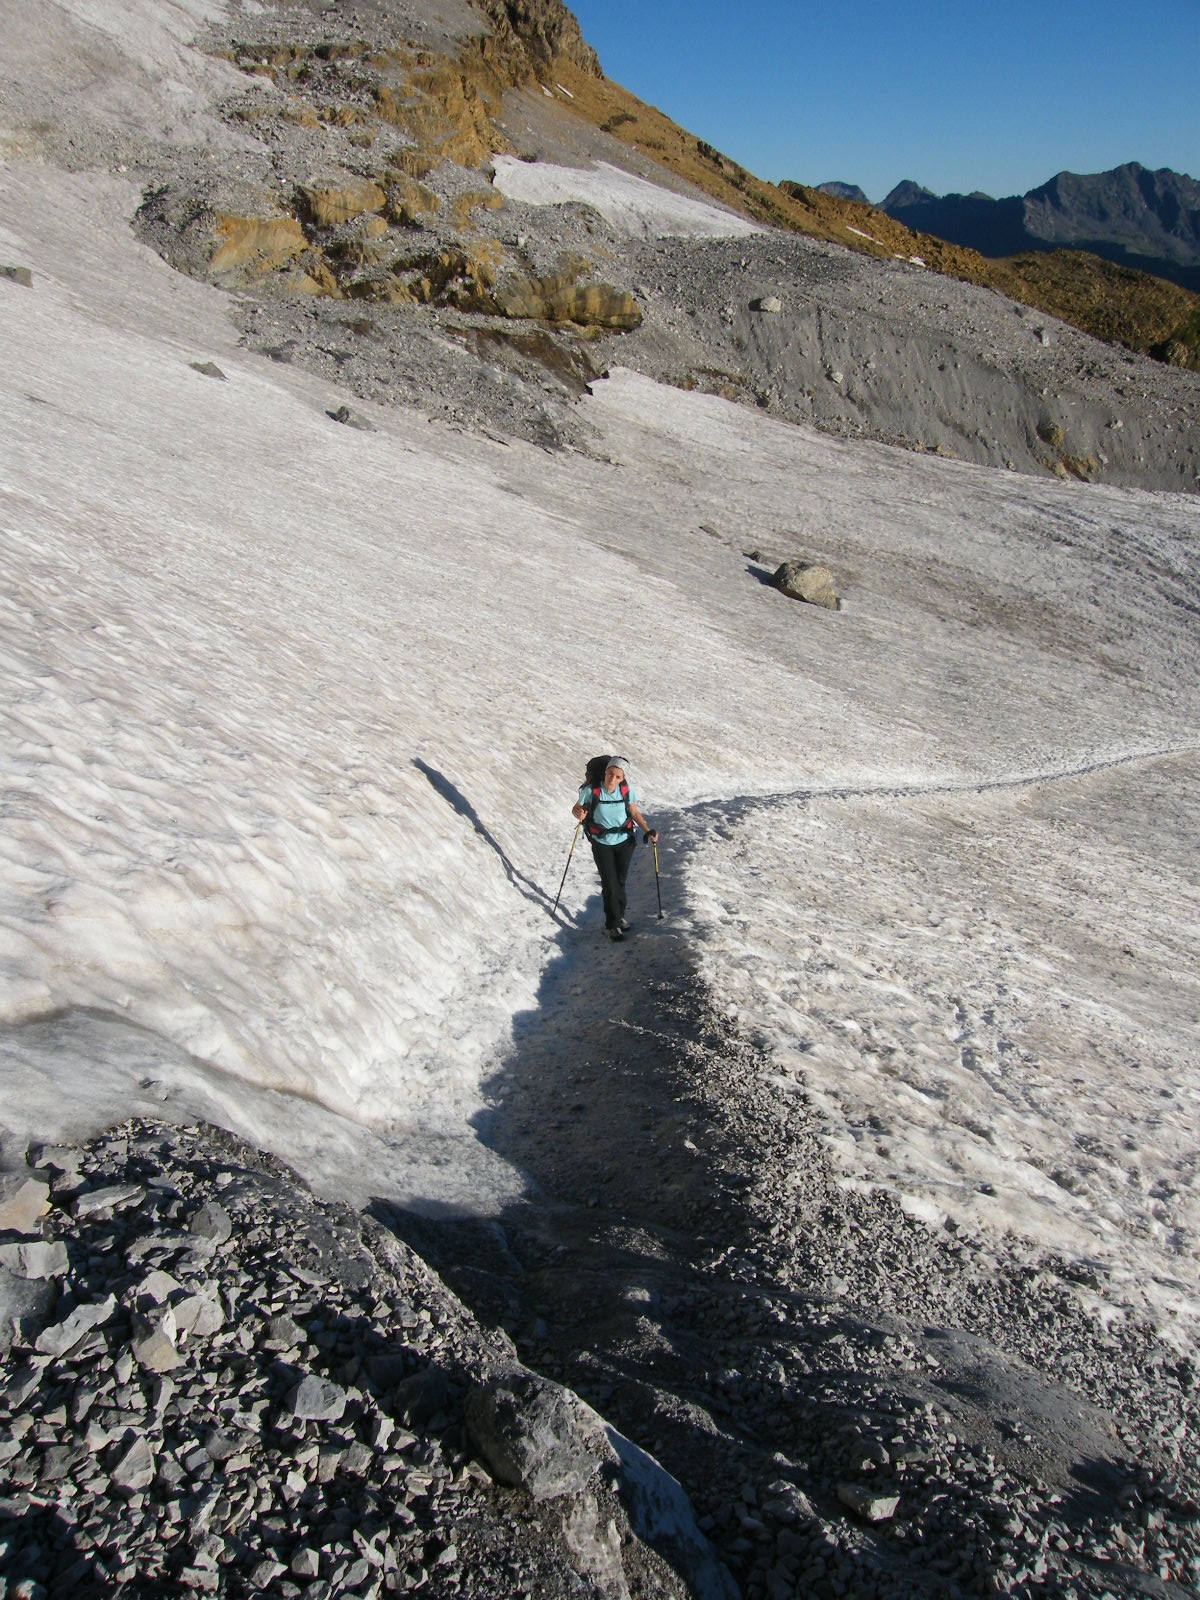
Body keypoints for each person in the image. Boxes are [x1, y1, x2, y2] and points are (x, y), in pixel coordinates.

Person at [572, 759, 659, 941]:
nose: (612, 779)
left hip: (625, 842)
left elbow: (634, 812)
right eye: (610, 774)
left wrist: (648, 830)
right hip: (601, 842)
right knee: (610, 884)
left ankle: (619, 917)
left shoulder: (626, 790)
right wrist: (578, 813)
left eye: (618, 776)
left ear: (622, 778)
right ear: (605, 772)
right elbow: (576, 808)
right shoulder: (592, 791)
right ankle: (611, 925)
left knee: (620, 882)